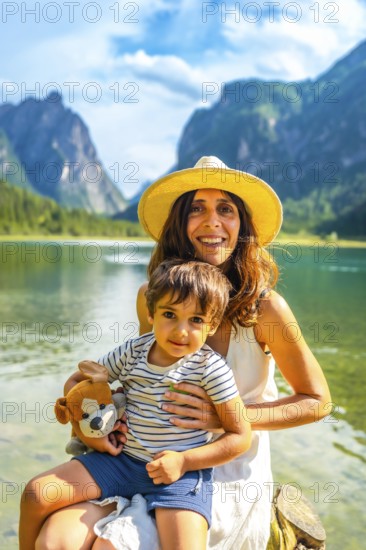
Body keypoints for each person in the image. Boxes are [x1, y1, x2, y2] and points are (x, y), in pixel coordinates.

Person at [30, 156, 331, 550]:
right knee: (55, 537)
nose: (212, 222)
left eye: (226, 209)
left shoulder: (265, 308)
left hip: (225, 468)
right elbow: (141, 380)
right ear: (179, 224)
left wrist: (225, 416)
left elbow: (317, 401)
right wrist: (96, 422)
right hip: (143, 456)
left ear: (242, 225)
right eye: (196, 209)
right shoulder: (150, 298)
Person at [19, 258, 252, 550]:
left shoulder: (211, 369)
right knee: (35, 493)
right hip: (119, 462)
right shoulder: (133, 351)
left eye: (196, 320)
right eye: (170, 314)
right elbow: (77, 382)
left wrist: (184, 461)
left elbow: (241, 436)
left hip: (178, 476)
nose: (181, 331)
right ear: (151, 313)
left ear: (212, 324)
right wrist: (93, 434)